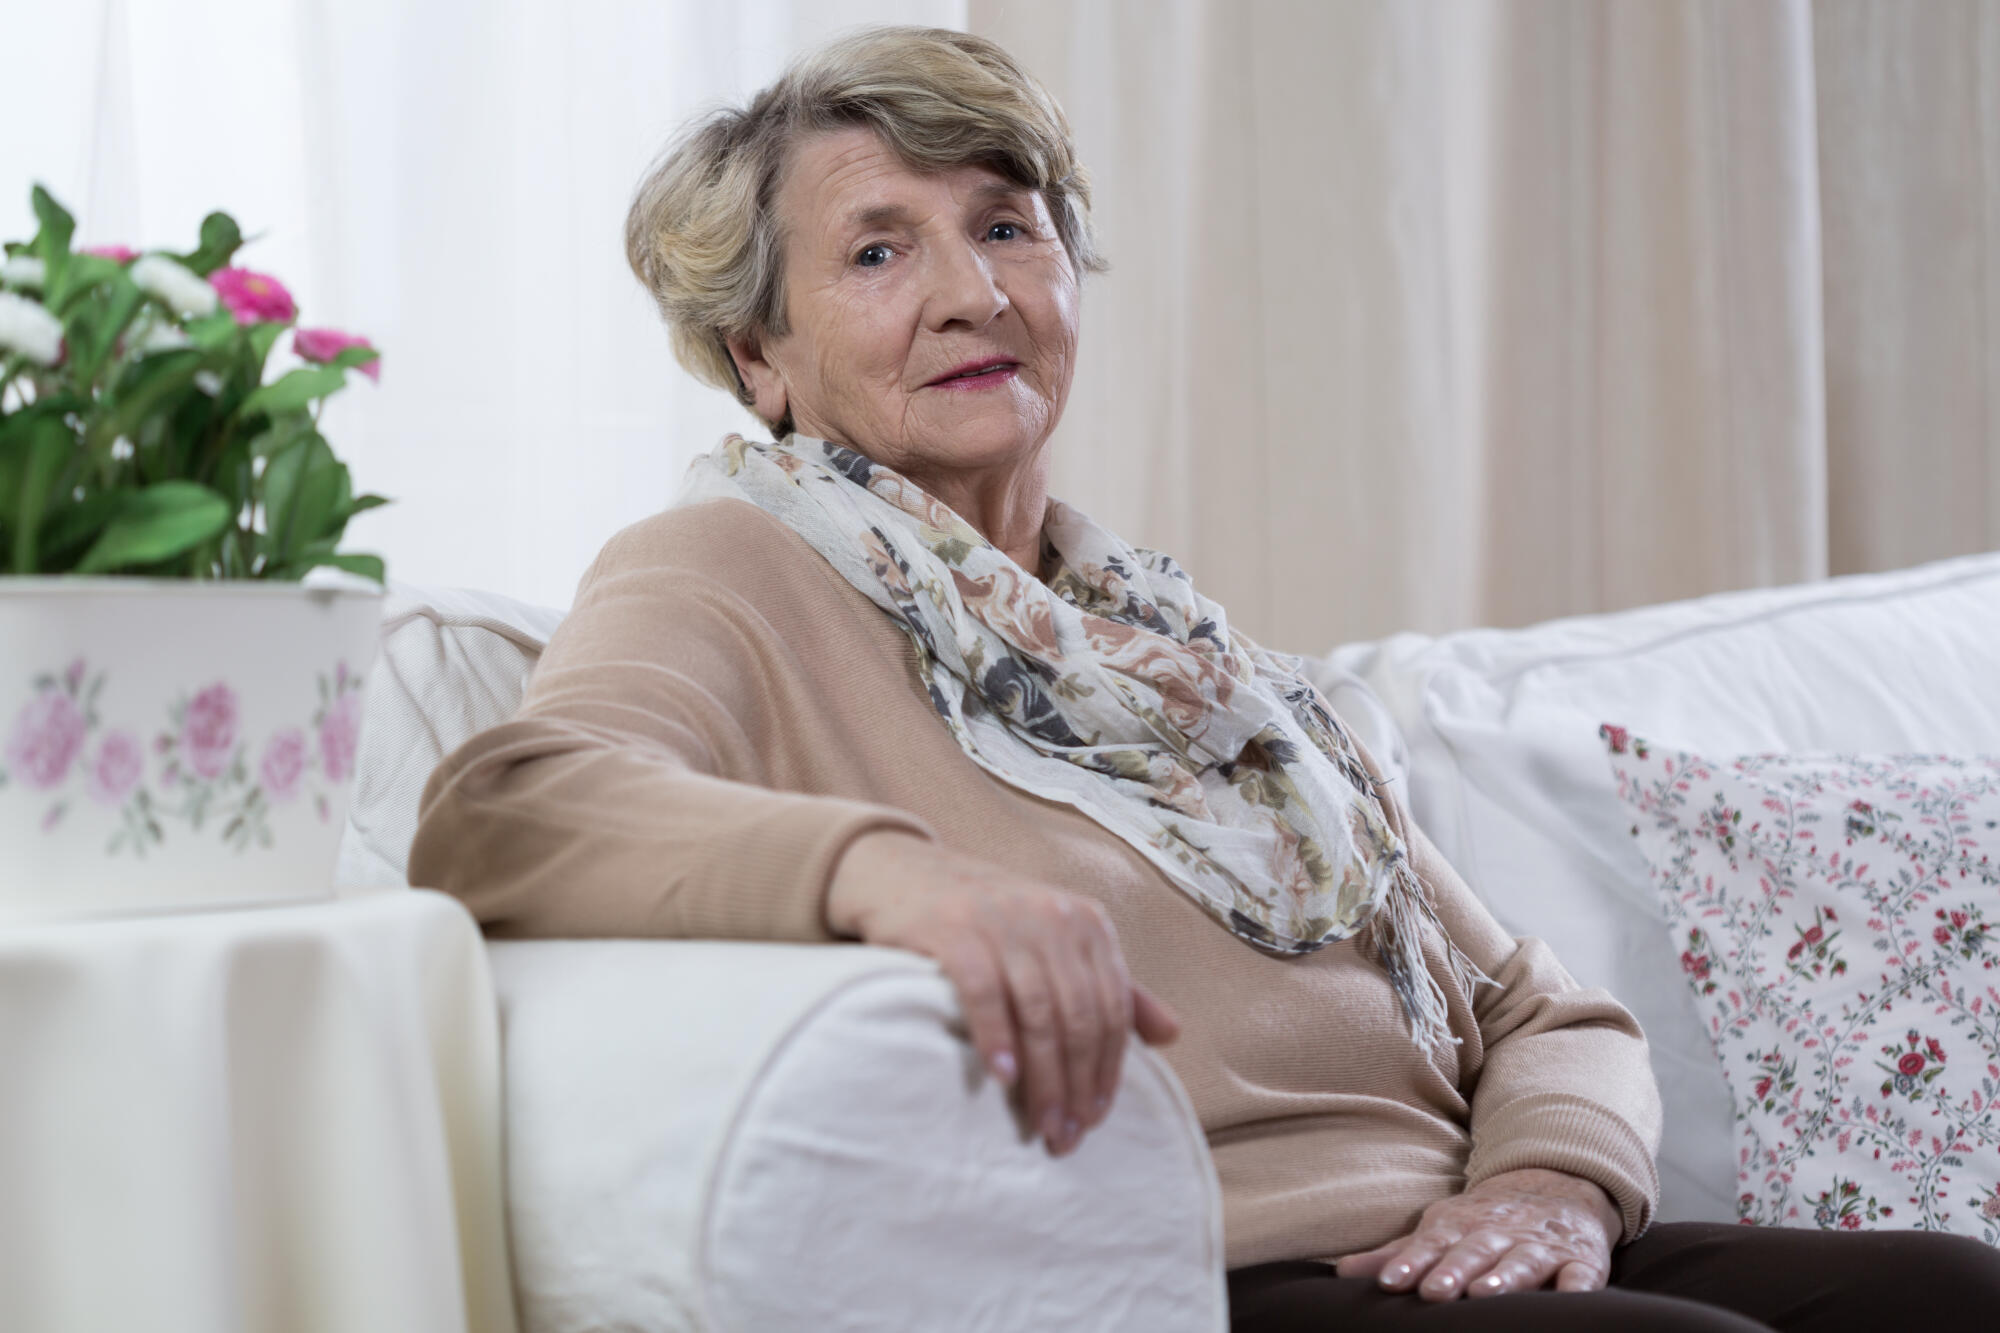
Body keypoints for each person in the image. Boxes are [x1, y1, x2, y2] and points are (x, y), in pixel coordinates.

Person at [408, 25, 2000, 1330]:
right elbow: (510, 810)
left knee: (1951, 1289)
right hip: (1209, 1272)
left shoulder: (1187, 657)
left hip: (1456, 1237)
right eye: (879, 250)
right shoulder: (732, 566)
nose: (974, 291)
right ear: (759, 354)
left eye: (1007, 226)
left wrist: (1548, 1184)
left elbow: (1539, 1005)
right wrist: (894, 876)